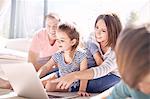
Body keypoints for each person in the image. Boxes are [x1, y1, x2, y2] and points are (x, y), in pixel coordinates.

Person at [51, 13, 122, 93]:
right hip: (90, 68)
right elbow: (83, 52)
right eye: (97, 28)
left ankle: (73, 85)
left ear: (113, 32)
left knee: (84, 84)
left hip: (112, 75)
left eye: (103, 31)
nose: (97, 33)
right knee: (64, 69)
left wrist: (75, 75)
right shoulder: (93, 37)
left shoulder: (117, 50)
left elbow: (103, 69)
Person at [0, 12, 60, 89]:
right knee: (23, 76)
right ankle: (8, 84)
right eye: (49, 26)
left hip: (52, 68)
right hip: (40, 66)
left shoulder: (62, 37)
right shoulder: (39, 35)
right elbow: (31, 64)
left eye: (55, 26)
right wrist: (49, 66)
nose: (52, 29)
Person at [38, 22, 90, 96]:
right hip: (60, 75)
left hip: (72, 83)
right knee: (38, 83)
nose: (58, 43)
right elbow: (46, 66)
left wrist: (82, 90)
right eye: (57, 39)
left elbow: (84, 74)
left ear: (72, 42)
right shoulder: (58, 54)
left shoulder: (81, 55)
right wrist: (37, 76)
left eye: (62, 40)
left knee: (49, 86)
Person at [106, 24, 150, 99]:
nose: (142, 89)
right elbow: (114, 94)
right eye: (136, 85)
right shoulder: (133, 81)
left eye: (148, 83)